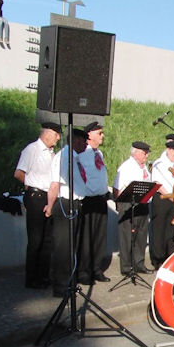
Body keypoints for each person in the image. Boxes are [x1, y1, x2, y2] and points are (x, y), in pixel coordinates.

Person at [14, 123, 62, 289]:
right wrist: (31, 185)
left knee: (47, 239)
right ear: (47, 133)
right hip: (36, 196)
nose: (58, 138)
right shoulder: (32, 149)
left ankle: (43, 275)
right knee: (35, 239)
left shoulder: (51, 153)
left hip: (48, 196)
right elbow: (19, 173)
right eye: (56, 134)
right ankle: (32, 277)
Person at [44, 129, 88, 295]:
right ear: (75, 140)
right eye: (83, 141)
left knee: (72, 246)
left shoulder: (75, 157)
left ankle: (70, 280)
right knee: (63, 247)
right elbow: (56, 183)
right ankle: (61, 285)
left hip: (76, 203)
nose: (85, 145)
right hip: (65, 204)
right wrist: (50, 206)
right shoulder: (63, 156)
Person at [113, 141, 154, 275]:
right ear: (135, 153)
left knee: (141, 235)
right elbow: (117, 187)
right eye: (144, 153)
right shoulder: (126, 167)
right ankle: (126, 267)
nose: (146, 156)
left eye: (147, 153)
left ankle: (139, 263)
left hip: (143, 203)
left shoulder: (144, 168)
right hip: (129, 204)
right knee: (127, 236)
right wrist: (119, 204)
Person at [77, 122, 110, 283]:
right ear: (89, 135)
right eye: (99, 133)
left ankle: (96, 268)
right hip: (88, 200)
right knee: (87, 237)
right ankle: (84, 271)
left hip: (101, 199)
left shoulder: (99, 154)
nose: (102, 136)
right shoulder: (82, 154)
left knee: (99, 236)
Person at [150, 140, 174, 269]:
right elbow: (157, 183)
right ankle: (158, 259)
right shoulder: (159, 163)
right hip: (162, 199)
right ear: (168, 150)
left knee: (172, 229)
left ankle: (169, 257)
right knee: (160, 230)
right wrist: (170, 196)